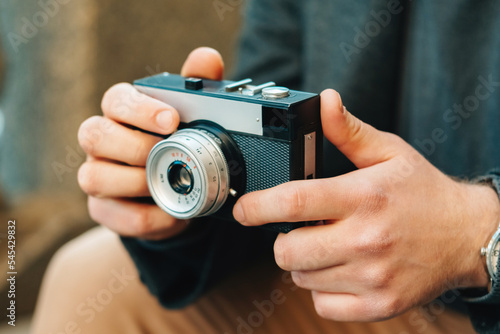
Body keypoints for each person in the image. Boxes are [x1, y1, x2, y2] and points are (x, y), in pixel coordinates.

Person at [32, 0, 500, 333]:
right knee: (85, 277)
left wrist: (476, 233)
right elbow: (269, 146)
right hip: (344, 270)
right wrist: (181, 211)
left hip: (481, 289)